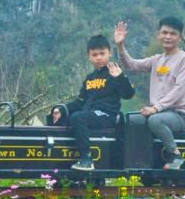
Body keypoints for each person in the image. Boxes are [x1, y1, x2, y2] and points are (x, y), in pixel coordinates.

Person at [115, 17, 185, 169]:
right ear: (158, 34)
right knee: (132, 119)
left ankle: (175, 156)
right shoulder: (157, 60)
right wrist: (120, 46)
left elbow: (179, 90)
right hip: (156, 112)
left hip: (177, 115)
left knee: (155, 120)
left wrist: (156, 108)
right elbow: (131, 65)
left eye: (173, 33)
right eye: (164, 32)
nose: (168, 36)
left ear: (180, 36)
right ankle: (139, 164)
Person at [50, 35, 135, 171]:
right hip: (90, 114)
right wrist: (62, 109)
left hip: (108, 116)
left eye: (102, 53)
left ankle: (87, 159)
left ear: (109, 53)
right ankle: (60, 162)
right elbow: (80, 101)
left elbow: (128, 94)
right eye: (95, 55)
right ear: (89, 57)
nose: (99, 57)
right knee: (59, 116)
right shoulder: (89, 78)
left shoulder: (114, 73)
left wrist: (120, 77)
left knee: (78, 117)